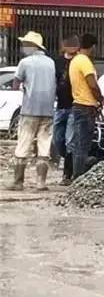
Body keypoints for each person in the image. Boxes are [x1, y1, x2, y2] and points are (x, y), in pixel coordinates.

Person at [7, 32, 56, 191]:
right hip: (48, 110)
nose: (22, 48)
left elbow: (16, 84)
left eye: (25, 45)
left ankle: (18, 181)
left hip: (29, 110)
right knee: (44, 145)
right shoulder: (50, 63)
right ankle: (41, 182)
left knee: (23, 143)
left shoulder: (25, 63)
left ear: (31, 46)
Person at [68, 33, 103, 179]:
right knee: (83, 145)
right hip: (86, 106)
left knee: (79, 144)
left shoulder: (75, 60)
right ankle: (78, 177)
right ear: (93, 46)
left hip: (78, 105)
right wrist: (101, 99)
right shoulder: (85, 61)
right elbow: (92, 85)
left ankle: (76, 174)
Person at [53, 34, 79, 185]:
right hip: (60, 106)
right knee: (58, 140)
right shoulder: (57, 62)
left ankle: (67, 174)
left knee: (70, 140)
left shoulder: (79, 61)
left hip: (74, 106)